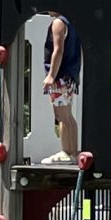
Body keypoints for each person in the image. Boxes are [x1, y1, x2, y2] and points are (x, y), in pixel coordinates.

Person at [42, 13, 82, 163]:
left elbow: (58, 50)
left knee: (61, 116)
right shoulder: (71, 22)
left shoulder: (58, 23)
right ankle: (72, 152)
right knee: (68, 116)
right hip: (70, 76)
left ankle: (66, 151)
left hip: (60, 76)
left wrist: (51, 75)